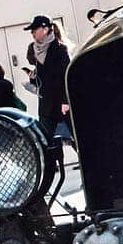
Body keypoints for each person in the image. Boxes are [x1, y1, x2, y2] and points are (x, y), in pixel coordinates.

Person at [22, 15, 72, 149]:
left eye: (34, 29)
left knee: (74, 137)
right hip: (46, 103)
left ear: (45, 29)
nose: (32, 33)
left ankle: (89, 163)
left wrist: (65, 100)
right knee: (43, 140)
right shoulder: (33, 50)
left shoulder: (60, 49)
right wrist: (33, 78)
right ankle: (49, 167)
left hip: (62, 103)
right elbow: (42, 76)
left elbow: (66, 76)